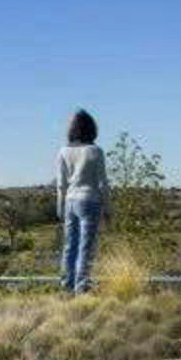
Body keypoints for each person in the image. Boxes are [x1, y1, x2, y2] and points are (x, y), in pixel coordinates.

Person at [57, 109, 110, 294]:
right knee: (85, 246)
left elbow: (61, 184)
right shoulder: (95, 151)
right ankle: (81, 286)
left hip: (70, 202)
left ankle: (66, 284)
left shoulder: (64, 151)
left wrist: (59, 208)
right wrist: (108, 208)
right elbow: (103, 183)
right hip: (90, 201)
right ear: (91, 128)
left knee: (69, 245)